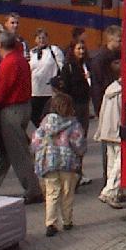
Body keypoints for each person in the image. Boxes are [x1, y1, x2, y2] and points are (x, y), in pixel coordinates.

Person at [0, 31, 43, 203]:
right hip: (23, 106)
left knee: (18, 153)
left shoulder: (9, 63)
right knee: (7, 150)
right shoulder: (20, 59)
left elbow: (0, 91)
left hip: (11, 110)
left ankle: (33, 190)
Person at [31, 93, 86, 236]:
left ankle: (50, 223)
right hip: (67, 163)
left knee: (52, 193)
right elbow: (78, 144)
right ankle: (67, 221)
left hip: (48, 162)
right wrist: (80, 153)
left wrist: (38, 153)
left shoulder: (45, 123)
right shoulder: (73, 124)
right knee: (67, 193)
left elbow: (35, 142)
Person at [89, 26, 121, 188]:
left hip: (115, 102)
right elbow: (97, 86)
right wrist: (98, 107)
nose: (121, 43)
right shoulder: (100, 59)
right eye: (118, 40)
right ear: (110, 40)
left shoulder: (115, 55)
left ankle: (111, 181)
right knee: (109, 143)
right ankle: (107, 181)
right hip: (105, 103)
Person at [59, 39, 93, 185]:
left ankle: (79, 172)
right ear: (72, 50)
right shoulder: (68, 67)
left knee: (81, 139)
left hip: (84, 104)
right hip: (74, 106)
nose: (82, 51)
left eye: (83, 49)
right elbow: (65, 88)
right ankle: (72, 172)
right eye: (79, 49)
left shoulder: (86, 65)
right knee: (73, 139)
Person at [93, 55, 123, 209]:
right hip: (118, 131)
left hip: (107, 130)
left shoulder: (109, 90)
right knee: (121, 162)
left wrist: (100, 131)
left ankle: (115, 191)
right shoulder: (123, 93)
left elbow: (103, 111)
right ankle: (110, 191)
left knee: (112, 161)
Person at [29, 28, 65, 128]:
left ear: (47, 38)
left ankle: (50, 132)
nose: (41, 40)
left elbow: (62, 67)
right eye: (39, 38)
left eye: (43, 38)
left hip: (50, 91)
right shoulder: (31, 53)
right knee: (34, 115)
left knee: (50, 115)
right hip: (35, 91)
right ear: (35, 40)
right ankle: (42, 130)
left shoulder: (54, 50)